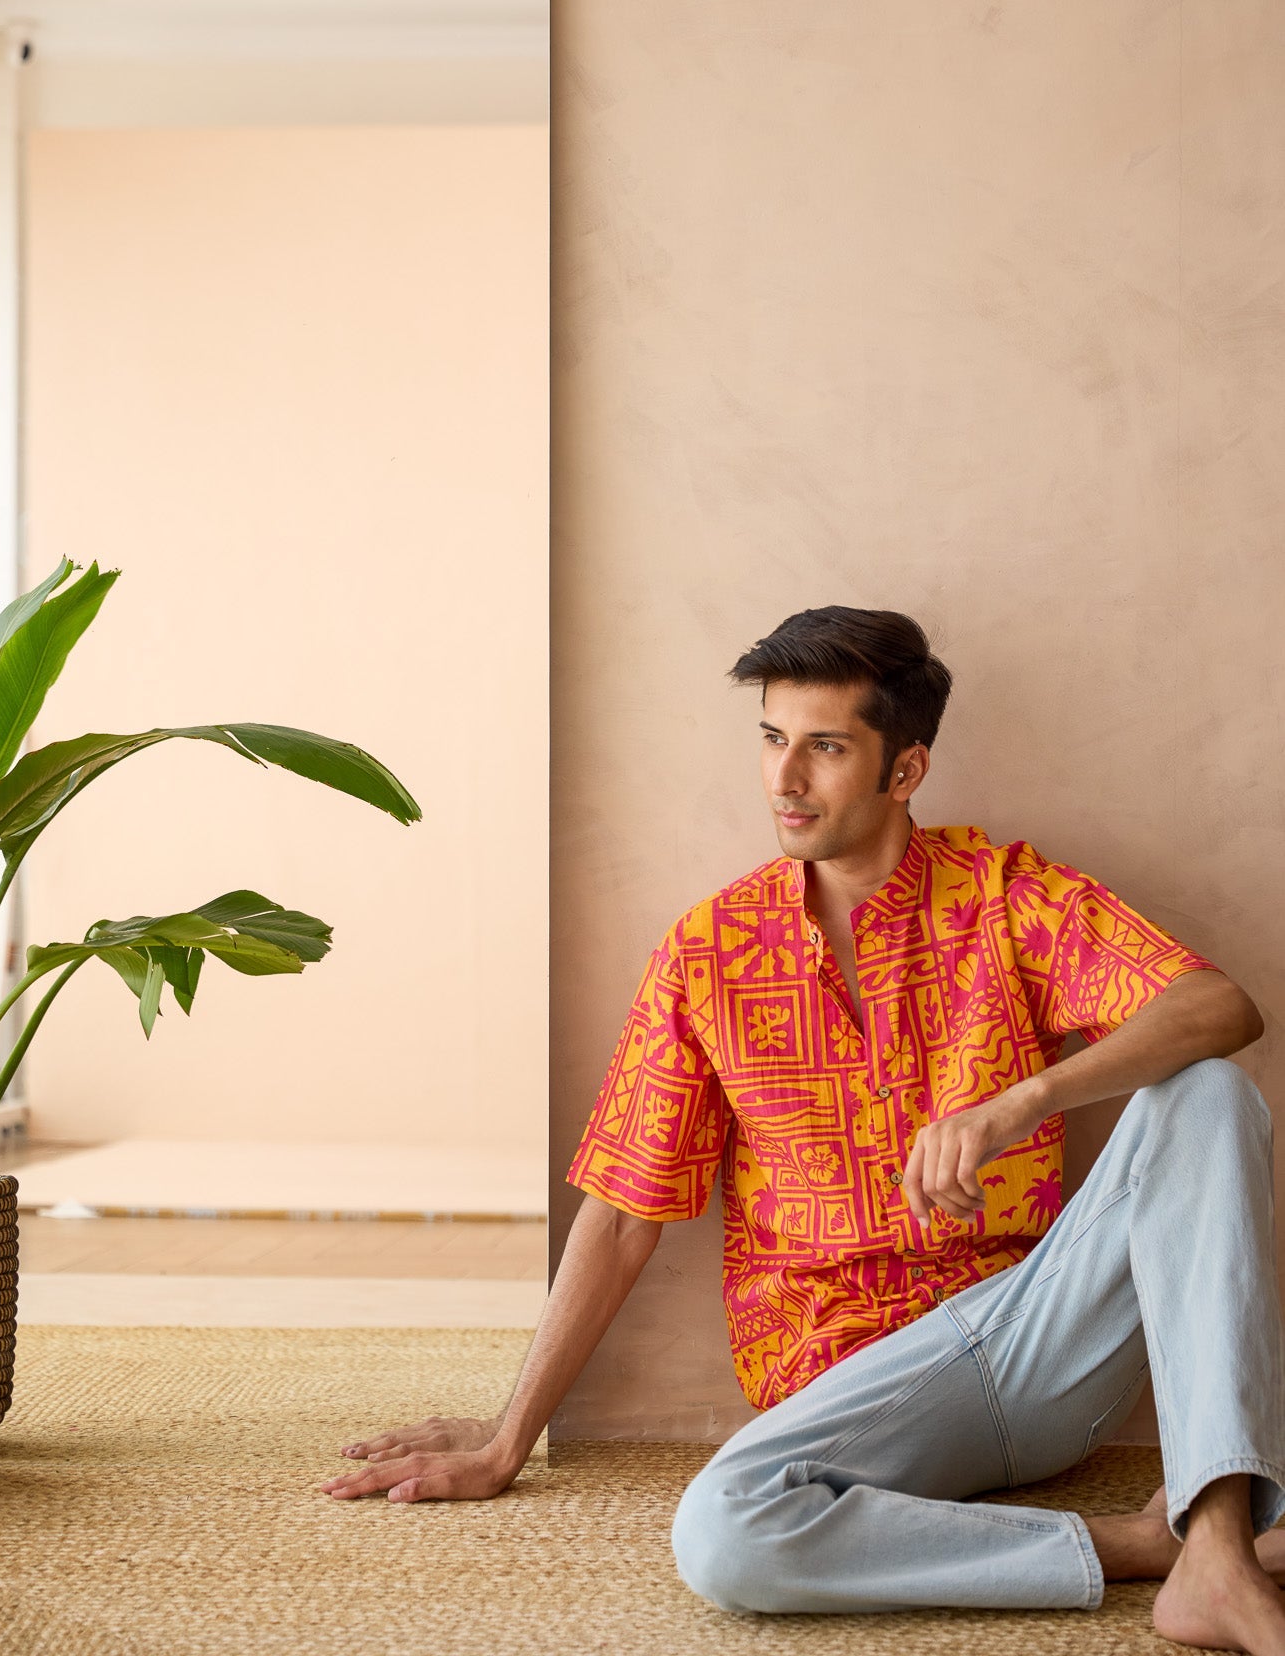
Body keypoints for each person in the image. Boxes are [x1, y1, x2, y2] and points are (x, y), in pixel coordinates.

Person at [321, 607, 1285, 1652]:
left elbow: (1218, 1006)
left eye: (824, 747)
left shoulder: (1003, 895)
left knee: (1206, 1094)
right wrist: (509, 1439)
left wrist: (1022, 1101)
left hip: (1030, 1337)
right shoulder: (708, 950)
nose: (784, 778)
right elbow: (624, 1215)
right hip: (847, 1399)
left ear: (904, 768)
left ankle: (1219, 1545)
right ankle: (1140, 1545)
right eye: (772, 739)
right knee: (726, 1529)